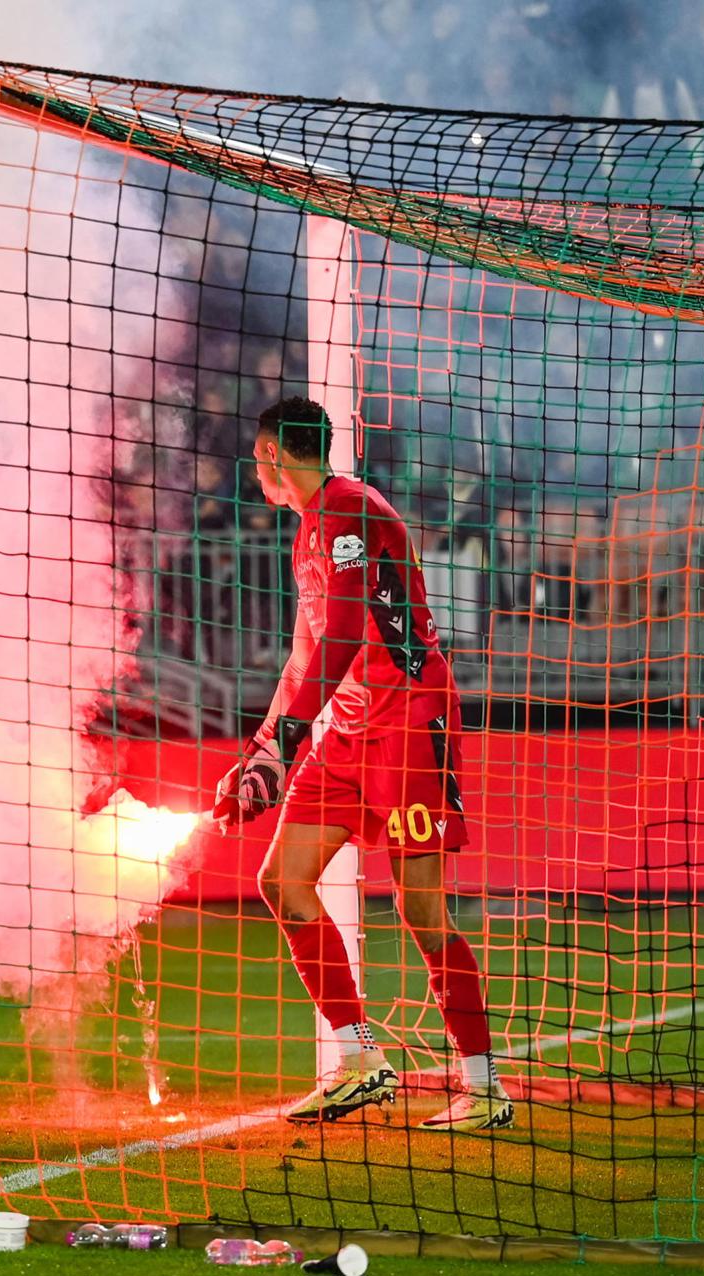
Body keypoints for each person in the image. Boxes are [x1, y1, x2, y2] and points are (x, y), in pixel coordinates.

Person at [214, 396, 511, 1133]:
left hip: (408, 719)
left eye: (258, 461)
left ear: (274, 457)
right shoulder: (309, 529)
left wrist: (284, 744)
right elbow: (307, 653)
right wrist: (258, 749)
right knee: (282, 880)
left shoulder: (349, 508)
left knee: (419, 908)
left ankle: (484, 1086)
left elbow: (347, 632)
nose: (256, 474)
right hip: (345, 728)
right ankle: (360, 1062)